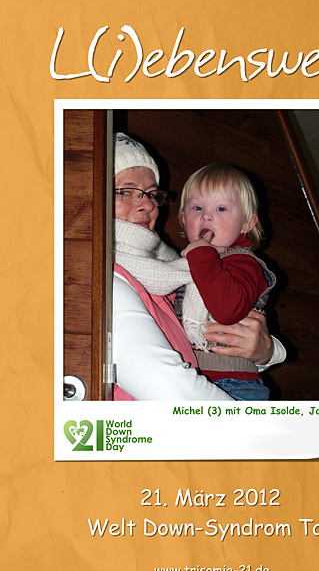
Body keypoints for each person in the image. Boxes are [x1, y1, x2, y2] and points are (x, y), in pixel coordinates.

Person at [112, 133, 286, 401]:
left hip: (233, 386)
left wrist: (268, 351)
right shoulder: (105, 276)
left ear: (247, 223)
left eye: (152, 194)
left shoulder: (173, 268)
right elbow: (166, 385)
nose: (147, 204)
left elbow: (227, 318)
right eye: (125, 191)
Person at [176, 164, 276, 401]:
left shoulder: (245, 263)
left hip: (234, 385)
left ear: (246, 224)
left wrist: (202, 255)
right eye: (197, 208)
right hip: (189, 379)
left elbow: (227, 310)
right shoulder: (183, 266)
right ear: (183, 220)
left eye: (221, 208)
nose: (206, 216)